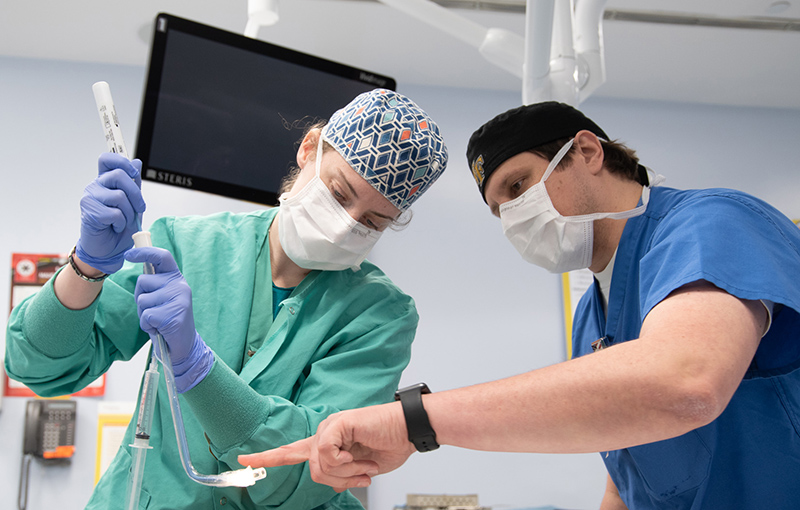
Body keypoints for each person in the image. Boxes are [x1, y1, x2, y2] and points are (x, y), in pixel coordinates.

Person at [239, 101, 800, 510]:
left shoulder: (713, 224)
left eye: (518, 185)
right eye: (496, 207)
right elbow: (628, 477)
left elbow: (686, 382)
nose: (510, 215)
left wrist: (412, 421)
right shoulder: (594, 319)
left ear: (586, 151)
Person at [5, 88, 448, 510]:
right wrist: (87, 267)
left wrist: (197, 368)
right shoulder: (183, 245)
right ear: (309, 148)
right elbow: (37, 368)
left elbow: (310, 475)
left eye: (372, 220)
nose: (342, 227)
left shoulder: (380, 315)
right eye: (337, 193)